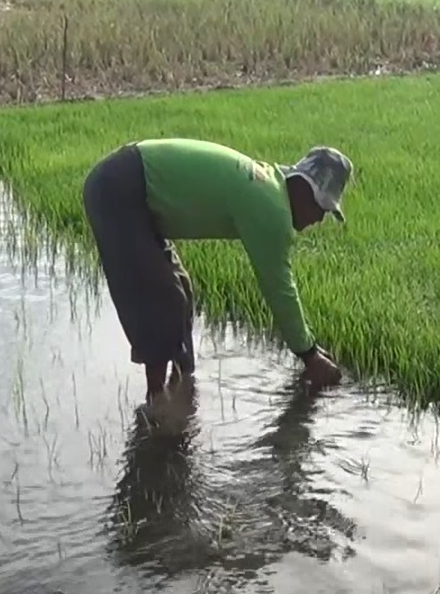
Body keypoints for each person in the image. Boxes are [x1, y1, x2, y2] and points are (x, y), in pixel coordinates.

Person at [81, 137, 352, 401]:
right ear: (305, 190)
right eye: (322, 208)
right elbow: (279, 289)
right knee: (163, 300)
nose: (318, 219)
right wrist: (309, 354)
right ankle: (158, 409)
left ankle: (182, 387)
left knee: (181, 292)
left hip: (130, 182)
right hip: (118, 190)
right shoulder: (271, 209)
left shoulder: (271, 182)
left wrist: (310, 351)